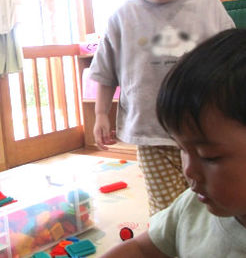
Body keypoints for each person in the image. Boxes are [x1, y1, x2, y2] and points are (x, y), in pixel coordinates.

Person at [89, 0, 235, 215]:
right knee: (167, 210)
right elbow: (105, 71)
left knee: (213, 204)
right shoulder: (122, 17)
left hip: (204, 130)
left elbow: (232, 60)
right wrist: (101, 114)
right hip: (152, 133)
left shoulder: (208, 6)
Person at [101, 27, 246, 257]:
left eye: (209, 156)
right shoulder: (193, 207)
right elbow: (140, 249)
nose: (189, 170)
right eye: (182, 149)